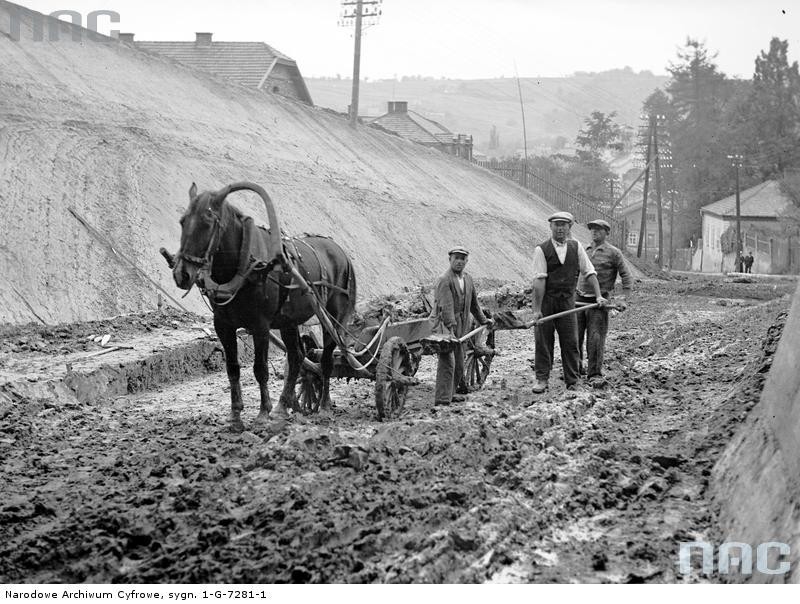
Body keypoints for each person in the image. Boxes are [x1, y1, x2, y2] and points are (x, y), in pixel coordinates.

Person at [531, 212, 607, 394]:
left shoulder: (576, 247)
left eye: (564, 225)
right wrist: (537, 310)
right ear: (550, 226)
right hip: (547, 302)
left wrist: (598, 296)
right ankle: (542, 379)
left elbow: (589, 272)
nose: (560, 228)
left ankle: (572, 381)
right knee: (543, 341)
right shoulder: (541, 250)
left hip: (567, 302)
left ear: (569, 227)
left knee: (571, 342)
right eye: (556, 224)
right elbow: (539, 282)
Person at [431, 247, 494, 405]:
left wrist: (483, 319)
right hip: (445, 325)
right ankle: (442, 399)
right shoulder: (444, 279)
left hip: (463, 324)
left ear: (467, 261)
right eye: (456, 258)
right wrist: (450, 330)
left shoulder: (468, 279)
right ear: (450, 260)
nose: (459, 261)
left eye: (462, 258)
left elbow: (474, 304)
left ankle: (451, 393)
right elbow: (446, 306)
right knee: (448, 362)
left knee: (459, 362)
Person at [576, 219, 633, 388]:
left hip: (599, 303)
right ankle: (576, 369)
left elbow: (627, 277)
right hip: (578, 300)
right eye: (592, 229)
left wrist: (623, 298)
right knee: (574, 337)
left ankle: (594, 373)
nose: (595, 232)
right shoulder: (583, 250)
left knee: (595, 338)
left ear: (607, 233)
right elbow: (574, 273)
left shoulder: (614, 253)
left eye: (599, 230)